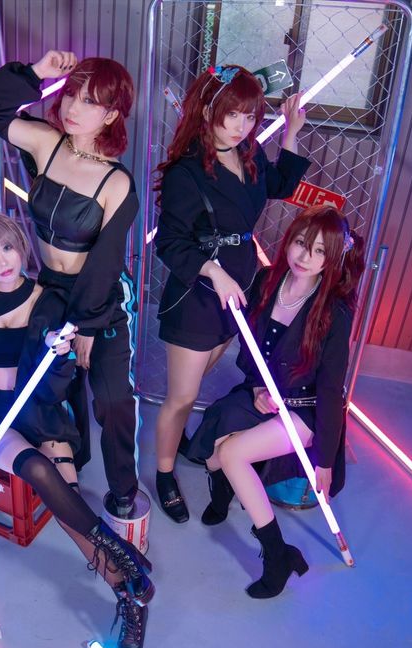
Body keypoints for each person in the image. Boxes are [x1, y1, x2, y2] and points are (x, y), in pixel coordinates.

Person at [0, 212, 151, 648]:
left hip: (41, 411)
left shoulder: (46, 300)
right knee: (35, 467)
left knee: (68, 505)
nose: (1, 262)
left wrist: (57, 358)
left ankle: (128, 595)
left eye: (7, 248)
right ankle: (124, 554)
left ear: (21, 246)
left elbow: (54, 391)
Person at [0, 50, 142, 519]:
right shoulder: (47, 143)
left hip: (103, 297)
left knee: (111, 397)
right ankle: (70, 465)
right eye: (71, 93)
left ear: (111, 115)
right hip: (50, 288)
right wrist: (38, 72)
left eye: (90, 101)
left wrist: (87, 325)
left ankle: (123, 489)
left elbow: (105, 262)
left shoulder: (117, 182)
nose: (73, 106)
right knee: (55, 387)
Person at [152, 64, 311, 523]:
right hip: (198, 294)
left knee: (197, 381)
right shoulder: (186, 172)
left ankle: (177, 443)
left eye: (250, 116)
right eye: (232, 114)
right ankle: (165, 473)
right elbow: (169, 243)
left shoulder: (249, 153)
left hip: (238, 285)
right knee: (182, 396)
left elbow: (280, 185)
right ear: (207, 111)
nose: (242, 126)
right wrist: (211, 271)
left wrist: (291, 133)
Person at [187, 204, 364, 598]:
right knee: (213, 447)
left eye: (319, 251)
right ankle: (223, 491)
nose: (305, 257)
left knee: (231, 454)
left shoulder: (334, 312)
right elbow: (251, 349)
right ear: (289, 241)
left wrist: (324, 459)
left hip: (306, 409)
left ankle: (277, 557)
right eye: (301, 243)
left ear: (331, 258)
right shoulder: (268, 281)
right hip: (264, 394)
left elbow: (331, 390)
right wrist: (255, 389)